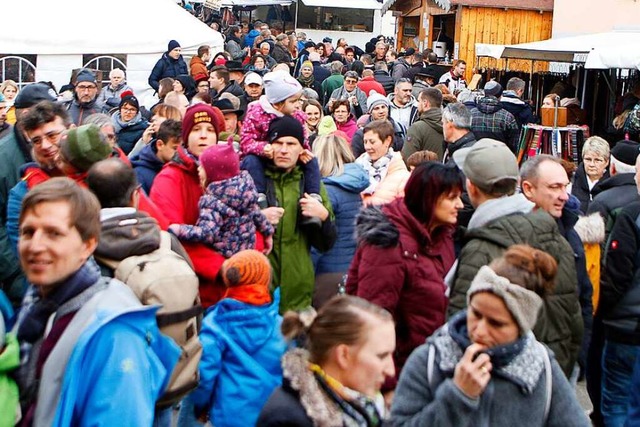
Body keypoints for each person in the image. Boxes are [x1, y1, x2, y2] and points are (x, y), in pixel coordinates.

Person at [13, 177, 179, 426]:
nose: (35, 246)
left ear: (87, 245)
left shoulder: (114, 334)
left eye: (53, 233)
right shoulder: (37, 302)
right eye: (28, 232)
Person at [391, 245, 590, 427]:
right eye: (475, 314)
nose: (479, 330)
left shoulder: (541, 369)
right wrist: (458, 396)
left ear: (521, 327)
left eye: (496, 323)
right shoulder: (431, 360)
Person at [448, 140, 583, 379]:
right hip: (551, 373)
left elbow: (459, 331)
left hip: (498, 381)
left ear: (472, 188)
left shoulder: (481, 245)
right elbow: (575, 316)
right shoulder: (555, 234)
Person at [347, 161, 462, 396]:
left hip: (429, 367)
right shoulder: (388, 245)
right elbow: (373, 316)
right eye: (452, 198)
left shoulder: (441, 235)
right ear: (428, 198)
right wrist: (386, 385)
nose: (459, 205)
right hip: (399, 377)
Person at [151, 103, 250, 308]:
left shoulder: (233, 175)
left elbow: (247, 219)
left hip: (237, 285)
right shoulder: (169, 178)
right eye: (196, 130)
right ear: (186, 137)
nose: (203, 135)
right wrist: (219, 266)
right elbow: (170, 234)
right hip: (193, 291)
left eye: (210, 130)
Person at [182, 250, 286, 427]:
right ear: (266, 281)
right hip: (272, 414)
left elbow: (205, 376)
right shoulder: (282, 326)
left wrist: (200, 407)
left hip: (229, 417)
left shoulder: (215, 325)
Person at [257, 295, 396, 426]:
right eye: (381, 356)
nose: (391, 371)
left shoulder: (366, 406)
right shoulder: (286, 419)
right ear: (343, 355)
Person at [520, 155, 593, 383]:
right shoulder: (512, 233)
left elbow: (583, 297)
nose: (564, 195)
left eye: (565, 186)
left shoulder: (570, 232)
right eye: (554, 187)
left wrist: (580, 354)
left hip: (564, 364)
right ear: (528, 189)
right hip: (523, 366)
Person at [260, 116, 336, 312]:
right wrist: (258, 218)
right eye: (278, 143)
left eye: (291, 143)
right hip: (260, 294)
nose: (284, 150)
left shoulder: (311, 185)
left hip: (298, 294)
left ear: (301, 149)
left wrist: (323, 217)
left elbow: (326, 243)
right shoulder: (254, 180)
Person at [0, 84, 58, 308]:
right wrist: (16, 274)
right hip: (18, 275)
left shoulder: (56, 151)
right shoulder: (3, 156)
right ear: (24, 115)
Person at [240, 70, 322, 221]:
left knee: (311, 161)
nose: (298, 105)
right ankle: (259, 196)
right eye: (293, 101)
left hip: (288, 155)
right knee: (251, 162)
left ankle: (313, 196)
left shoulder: (296, 116)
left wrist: (303, 151)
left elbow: (302, 138)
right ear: (278, 103)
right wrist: (262, 148)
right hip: (262, 156)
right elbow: (246, 140)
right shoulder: (256, 113)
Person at [168, 142, 274, 258]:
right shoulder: (246, 192)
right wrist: (268, 234)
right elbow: (258, 216)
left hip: (226, 260)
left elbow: (207, 233)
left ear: (213, 173)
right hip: (247, 255)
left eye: (202, 167)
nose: (198, 169)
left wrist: (179, 229)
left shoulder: (213, 202)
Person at [599, 158, 640, 426]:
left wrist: (600, 311)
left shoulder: (633, 214)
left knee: (617, 401)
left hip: (627, 328)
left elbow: (616, 275)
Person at [310, 133, 368, 305]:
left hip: (326, 273)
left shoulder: (326, 191)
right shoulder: (353, 187)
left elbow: (317, 242)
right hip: (350, 269)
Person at [354, 120, 410, 206]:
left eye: (372, 142)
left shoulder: (402, 176)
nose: (367, 147)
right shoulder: (356, 167)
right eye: (365, 142)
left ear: (387, 141)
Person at [131, 119, 182, 194]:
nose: (180, 153)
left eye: (183, 149)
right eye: (175, 148)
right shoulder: (139, 175)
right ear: (160, 145)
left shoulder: (181, 169)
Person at [470, 81, 519, 153]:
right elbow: (514, 144)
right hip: (499, 159)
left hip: (474, 158)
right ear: (500, 96)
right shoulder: (507, 117)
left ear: (485, 93)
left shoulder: (471, 114)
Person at [403, 87, 444, 162]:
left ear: (425, 103)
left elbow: (407, 159)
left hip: (422, 172)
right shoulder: (449, 126)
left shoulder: (417, 128)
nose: (417, 105)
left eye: (419, 101)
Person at [571, 136, 610, 213]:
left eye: (598, 160)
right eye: (588, 159)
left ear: (607, 162)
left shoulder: (611, 184)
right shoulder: (571, 182)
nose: (592, 164)